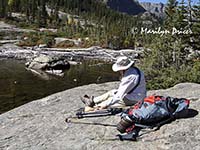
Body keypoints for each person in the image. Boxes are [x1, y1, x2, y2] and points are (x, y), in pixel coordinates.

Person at [81, 56, 147, 111]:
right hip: (137, 95)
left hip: (134, 99)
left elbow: (119, 96)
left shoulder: (129, 77)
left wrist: (105, 104)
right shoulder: (134, 70)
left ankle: (96, 107)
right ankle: (93, 101)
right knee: (112, 92)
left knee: (113, 100)